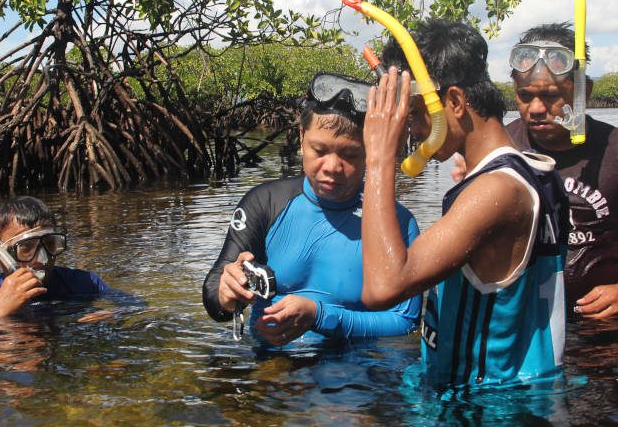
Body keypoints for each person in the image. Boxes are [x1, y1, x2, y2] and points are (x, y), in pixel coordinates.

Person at [360, 19, 570, 386]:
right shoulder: (530, 171)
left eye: (413, 111)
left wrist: (379, 156)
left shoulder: (497, 191)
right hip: (502, 395)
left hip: (487, 406)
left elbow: (382, 287)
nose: (410, 127)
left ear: (454, 102)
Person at [202, 73, 421, 347]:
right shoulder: (265, 203)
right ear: (302, 137)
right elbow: (213, 291)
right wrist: (226, 292)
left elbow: (405, 321)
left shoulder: (399, 224)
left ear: (371, 151)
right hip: (271, 373)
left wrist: (320, 317)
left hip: (354, 376)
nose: (332, 167)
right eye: (319, 150)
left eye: (350, 155)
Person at [503, 22, 618, 319]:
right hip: (523, 319)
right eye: (525, 96)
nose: (536, 108)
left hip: (603, 318)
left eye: (551, 95)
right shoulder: (502, 147)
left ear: (584, 90)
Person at [0, 196, 116, 320]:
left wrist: (113, 315)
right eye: (26, 248)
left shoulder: (86, 283)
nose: (42, 260)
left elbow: (135, 308)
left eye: (51, 244)